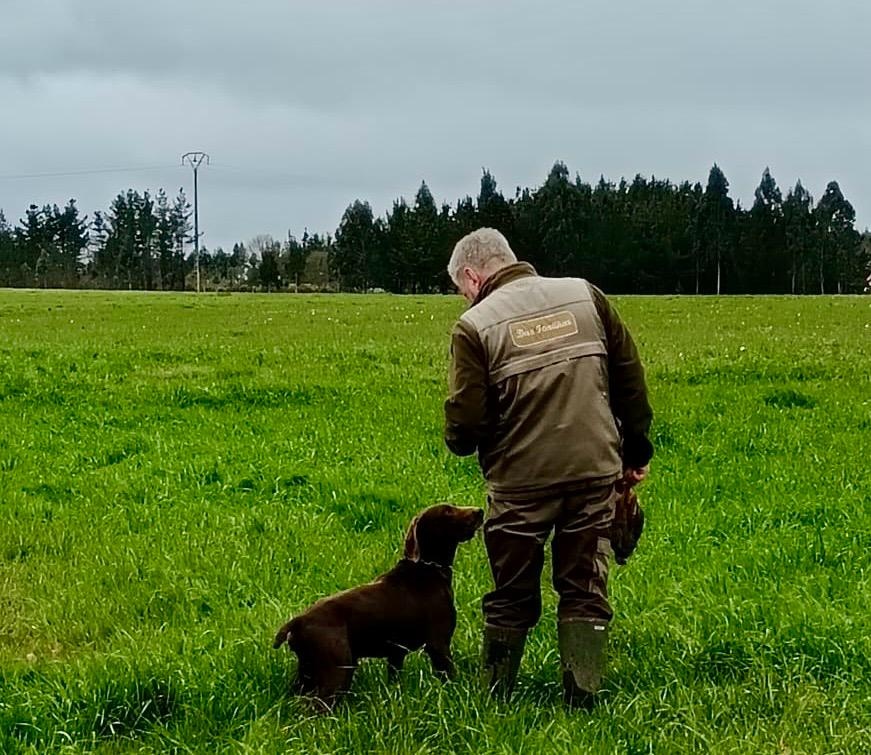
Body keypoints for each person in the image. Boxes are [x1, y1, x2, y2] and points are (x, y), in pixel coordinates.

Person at [443, 227, 653, 708]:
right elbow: (629, 380)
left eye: (460, 291)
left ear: (473, 277)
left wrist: (464, 439)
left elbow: (465, 425)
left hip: (520, 485)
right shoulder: (586, 296)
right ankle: (582, 697)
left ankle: (495, 700)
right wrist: (634, 453)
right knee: (584, 587)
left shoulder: (475, 326)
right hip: (595, 471)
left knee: (511, 593)